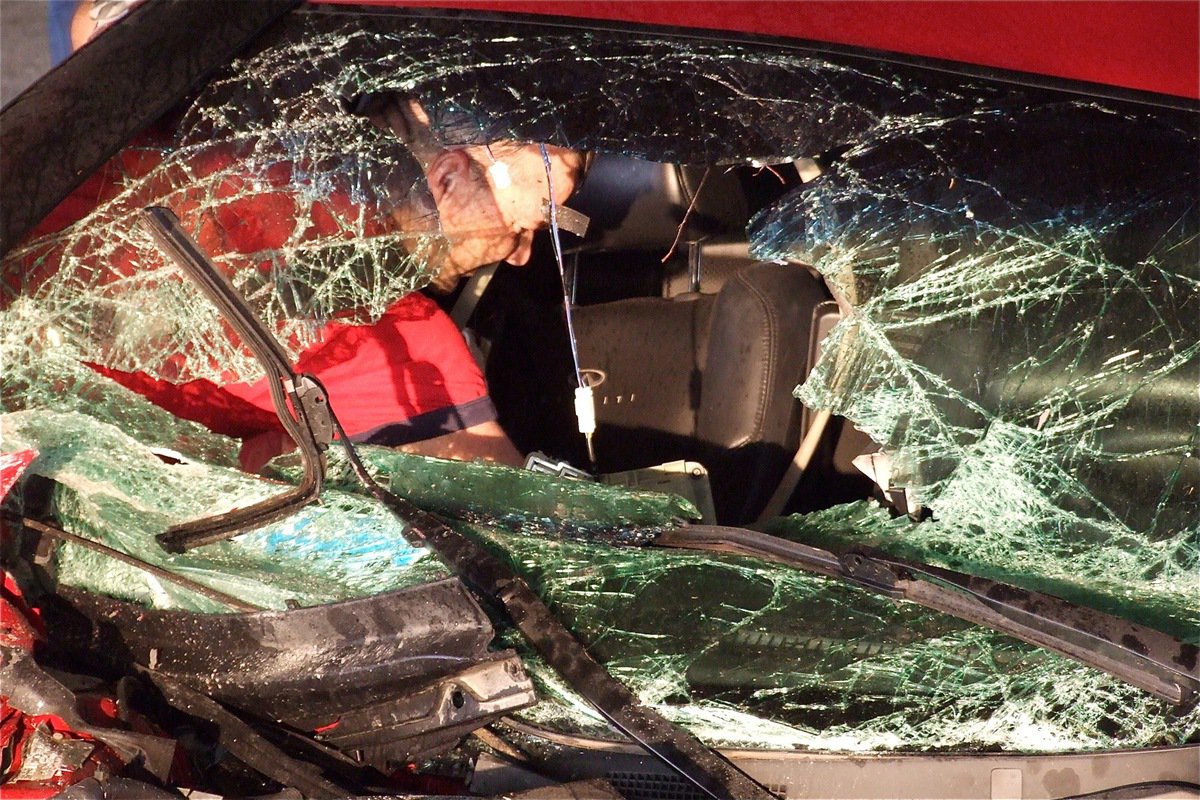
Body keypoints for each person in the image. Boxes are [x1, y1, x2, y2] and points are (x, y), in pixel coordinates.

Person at [18, 73, 586, 470]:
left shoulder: (171, 139)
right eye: (528, 226)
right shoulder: (412, 356)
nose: (520, 255)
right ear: (449, 178)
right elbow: (510, 520)